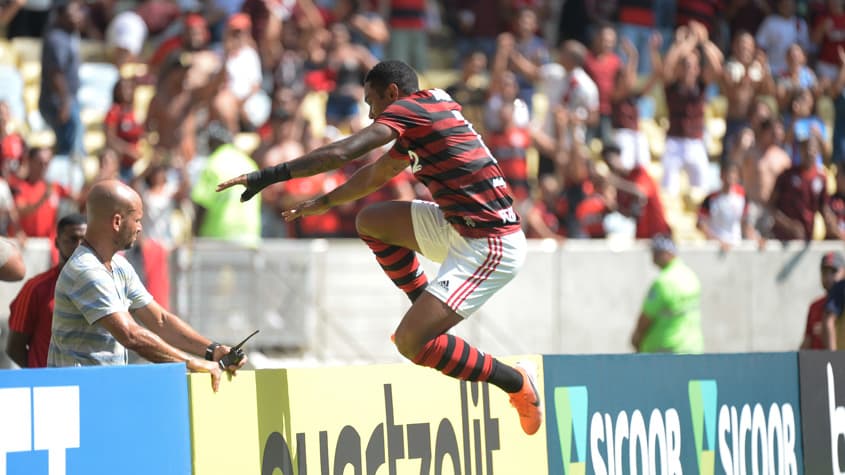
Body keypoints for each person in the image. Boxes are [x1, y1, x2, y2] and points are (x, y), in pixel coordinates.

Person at [216, 60, 542, 435]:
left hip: (490, 245)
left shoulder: (411, 110)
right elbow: (378, 173)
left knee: (409, 343)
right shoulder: (431, 106)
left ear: (393, 94)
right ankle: (424, 307)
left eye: (372, 102)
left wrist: (269, 175)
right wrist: (327, 201)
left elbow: (344, 153)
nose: (370, 113)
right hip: (459, 225)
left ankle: (515, 382)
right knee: (370, 221)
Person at [47, 180, 245, 391]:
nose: (141, 228)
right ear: (117, 222)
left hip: (100, 390)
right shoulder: (86, 269)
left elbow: (160, 320)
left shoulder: (119, 265)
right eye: (138, 220)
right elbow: (131, 335)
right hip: (77, 395)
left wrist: (212, 350)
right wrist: (191, 363)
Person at [5, 213, 86, 368]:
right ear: (56, 242)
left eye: (84, 240)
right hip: (51, 388)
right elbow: (14, 348)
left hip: (90, 385)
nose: (78, 246)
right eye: (72, 239)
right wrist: (43, 377)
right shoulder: (35, 288)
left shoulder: (102, 285)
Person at [630, 234, 704, 354]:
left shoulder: (663, 282)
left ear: (667, 253)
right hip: (693, 348)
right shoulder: (691, 276)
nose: (653, 257)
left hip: (666, 352)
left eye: (656, 252)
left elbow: (646, 318)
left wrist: (636, 340)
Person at [38, 0, 86, 158]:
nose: (79, 16)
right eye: (74, 12)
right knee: (69, 150)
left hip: (68, 100)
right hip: (59, 102)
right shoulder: (56, 39)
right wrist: (65, 102)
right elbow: (55, 73)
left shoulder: (68, 35)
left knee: (75, 146)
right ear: (60, 13)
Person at [802, 251, 845, 349]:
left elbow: (828, 322)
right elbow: (807, 342)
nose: (828, 277)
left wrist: (833, 360)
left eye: (833, 271)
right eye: (824, 272)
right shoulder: (815, 306)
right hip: (820, 362)